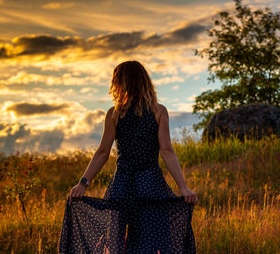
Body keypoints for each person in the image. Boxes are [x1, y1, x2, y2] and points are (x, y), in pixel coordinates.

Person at [58, 60, 198, 253]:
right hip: (150, 186)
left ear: (120, 83)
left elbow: (102, 153)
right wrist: (184, 188)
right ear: (145, 82)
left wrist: (83, 183)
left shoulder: (115, 113)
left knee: (116, 245)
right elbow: (166, 151)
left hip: (122, 186)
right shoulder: (158, 111)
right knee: (155, 244)